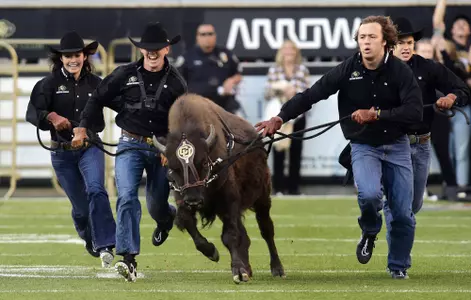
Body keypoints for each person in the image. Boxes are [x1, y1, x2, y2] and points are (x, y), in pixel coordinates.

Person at [255, 15, 423, 279]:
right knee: (368, 195)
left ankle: (398, 266)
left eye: (372, 37)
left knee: (403, 211)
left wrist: (377, 114)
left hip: (397, 145)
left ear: (386, 42)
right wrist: (280, 117)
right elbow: (312, 94)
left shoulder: (401, 72)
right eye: (361, 37)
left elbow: (414, 113)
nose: (365, 43)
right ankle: (370, 230)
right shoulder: (348, 68)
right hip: (364, 145)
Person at [71, 22, 187, 282]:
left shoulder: (177, 81)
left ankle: (166, 219)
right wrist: (82, 127)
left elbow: (184, 119)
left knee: (156, 204)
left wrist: (173, 147)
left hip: (161, 147)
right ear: (141, 50)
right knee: (125, 197)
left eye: (157, 48)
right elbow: (97, 98)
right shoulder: (124, 73)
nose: (152, 52)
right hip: (130, 143)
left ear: (166, 49)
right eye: (148, 48)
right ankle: (129, 258)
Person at [25, 31, 116, 268]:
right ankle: (88, 235)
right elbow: (32, 113)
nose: (73, 60)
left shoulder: (97, 84)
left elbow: (120, 106)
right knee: (81, 208)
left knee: (97, 190)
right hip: (61, 153)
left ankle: (106, 244)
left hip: (89, 147)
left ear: (85, 57)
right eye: (68, 56)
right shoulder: (48, 84)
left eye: (77, 55)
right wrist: (52, 117)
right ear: (61, 59)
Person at [385, 17, 470, 264]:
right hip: (393, 144)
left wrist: (452, 97)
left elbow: (462, 89)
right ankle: (398, 258)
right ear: (391, 45)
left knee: (413, 204)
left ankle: (396, 239)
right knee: (397, 205)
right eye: (400, 42)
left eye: (409, 42)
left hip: (421, 143)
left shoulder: (428, 68)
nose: (405, 47)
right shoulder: (380, 70)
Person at [263, 40, 310, 195]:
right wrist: (282, 89)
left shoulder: (302, 70)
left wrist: (294, 91)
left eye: (292, 49)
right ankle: (278, 188)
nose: (289, 52)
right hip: (279, 115)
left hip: (298, 115)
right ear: (281, 52)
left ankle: (294, 188)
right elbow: (267, 93)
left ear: (296, 52)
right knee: (278, 150)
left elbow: (308, 93)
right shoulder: (274, 70)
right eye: (286, 49)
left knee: (296, 151)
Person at [175, 23, 243, 116]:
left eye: (210, 34)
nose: (207, 37)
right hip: (197, 107)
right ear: (197, 37)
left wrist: (232, 80)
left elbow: (238, 74)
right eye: (203, 34)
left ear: (215, 36)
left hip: (224, 105)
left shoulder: (225, 54)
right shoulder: (187, 57)